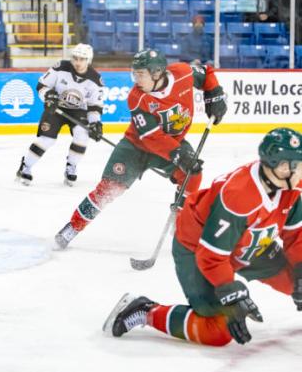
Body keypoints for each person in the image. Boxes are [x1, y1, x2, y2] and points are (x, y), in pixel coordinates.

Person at [103, 127, 302, 346]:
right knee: (218, 330)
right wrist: (232, 293)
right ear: (282, 168)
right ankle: (144, 309)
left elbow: (296, 235)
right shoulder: (239, 195)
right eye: (297, 165)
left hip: (249, 244)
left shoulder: (294, 186)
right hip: (198, 247)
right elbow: (212, 257)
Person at [54, 49, 228, 250]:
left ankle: (181, 222)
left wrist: (214, 95)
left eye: (141, 74)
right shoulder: (137, 97)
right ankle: (73, 227)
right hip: (134, 149)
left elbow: (206, 73)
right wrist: (179, 154)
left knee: (193, 174)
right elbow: (151, 136)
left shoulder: (183, 73)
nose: (136, 79)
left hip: (171, 144)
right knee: (108, 190)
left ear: (156, 73)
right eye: (134, 73)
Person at [16, 44, 104, 186]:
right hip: (55, 109)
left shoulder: (95, 80)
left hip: (78, 111)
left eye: (82, 59)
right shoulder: (60, 67)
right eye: (75, 58)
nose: (78, 62)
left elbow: (95, 106)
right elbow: (41, 85)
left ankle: (71, 166)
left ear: (89, 60)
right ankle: (26, 166)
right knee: (46, 140)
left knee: (82, 135)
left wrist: (95, 123)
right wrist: (48, 96)